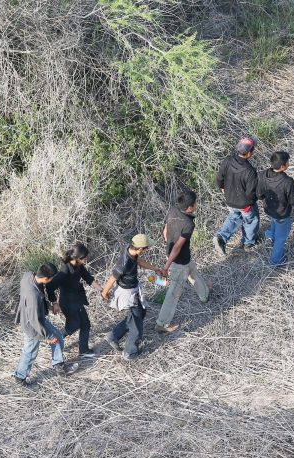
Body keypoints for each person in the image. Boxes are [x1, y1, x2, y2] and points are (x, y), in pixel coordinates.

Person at [101, 234, 166, 361]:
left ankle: (113, 335)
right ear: (140, 249)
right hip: (128, 294)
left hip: (132, 289)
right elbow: (113, 277)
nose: (146, 251)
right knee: (136, 323)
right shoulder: (125, 263)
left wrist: (156, 269)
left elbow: (139, 261)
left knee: (139, 314)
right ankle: (130, 352)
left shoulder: (130, 249)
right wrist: (104, 292)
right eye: (146, 249)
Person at [14, 263, 78, 387]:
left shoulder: (28, 276)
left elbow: (38, 296)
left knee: (58, 336)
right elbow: (35, 321)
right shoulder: (33, 296)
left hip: (34, 318)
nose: (51, 281)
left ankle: (59, 366)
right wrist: (48, 336)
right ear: (45, 278)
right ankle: (20, 377)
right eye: (51, 279)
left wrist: (48, 305)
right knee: (30, 351)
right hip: (31, 326)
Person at [155, 190, 210, 333]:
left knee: (193, 271)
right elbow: (178, 247)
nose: (197, 204)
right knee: (173, 292)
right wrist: (166, 268)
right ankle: (162, 323)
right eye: (195, 203)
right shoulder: (188, 224)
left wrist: (169, 245)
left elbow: (165, 231)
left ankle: (204, 295)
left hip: (177, 257)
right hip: (178, 261)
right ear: (190, 207)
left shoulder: (172, 210)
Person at [46, 243, 103, 361]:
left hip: (77, 300)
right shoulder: (64, 271)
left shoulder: (79, 266)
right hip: (68, 303)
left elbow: (89, 278)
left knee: (85, 324)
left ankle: (84, 351)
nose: (86, 260)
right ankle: (55, 339)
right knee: (74, 325)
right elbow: (50, 287)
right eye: (84, 258)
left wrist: (102, 290)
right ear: (77, 258)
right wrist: (54, 303)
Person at [213, 137, 260, 256]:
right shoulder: (250, 171)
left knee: (234, 216)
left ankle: (221, 238)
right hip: (244, 204)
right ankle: (248, 243)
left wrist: (222, 188)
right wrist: (251, 203)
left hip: (229, 200)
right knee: (251, 220)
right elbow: (251, 193)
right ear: (249, 153)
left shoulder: (228, 160)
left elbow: (219, 178)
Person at [258, 151, 294, 267]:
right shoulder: (287, 182)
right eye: (287, 162)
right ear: (282, 166)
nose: (288, 164)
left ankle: (270, 236)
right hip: (282, 213)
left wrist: (263, 199)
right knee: (281, 237)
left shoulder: (263, 174)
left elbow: (258, 193)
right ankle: (276, 261)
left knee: (273, 221)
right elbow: (293, 198)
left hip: (268, 208)